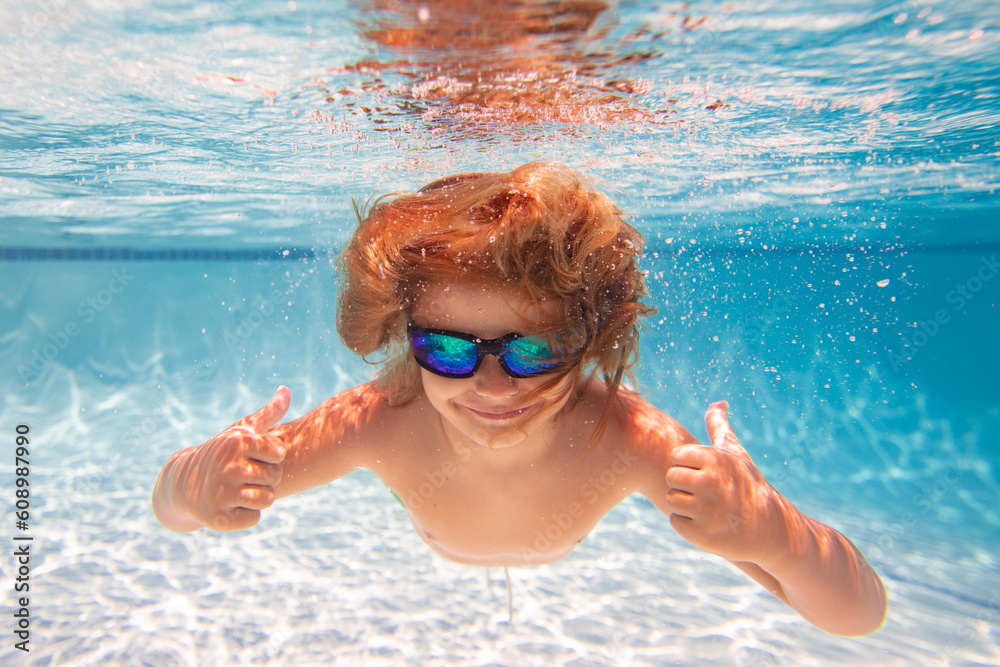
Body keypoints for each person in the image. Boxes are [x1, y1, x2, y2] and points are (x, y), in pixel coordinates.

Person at [152, 162, 887, 636]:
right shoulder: (379, 420)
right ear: (404, 338)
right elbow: (170, 511)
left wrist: (775, 533)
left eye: (535, 350)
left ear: (590, 337)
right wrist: (195, 481)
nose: (493, 387)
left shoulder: (627, 438)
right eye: (447, 349)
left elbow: (860, 613)